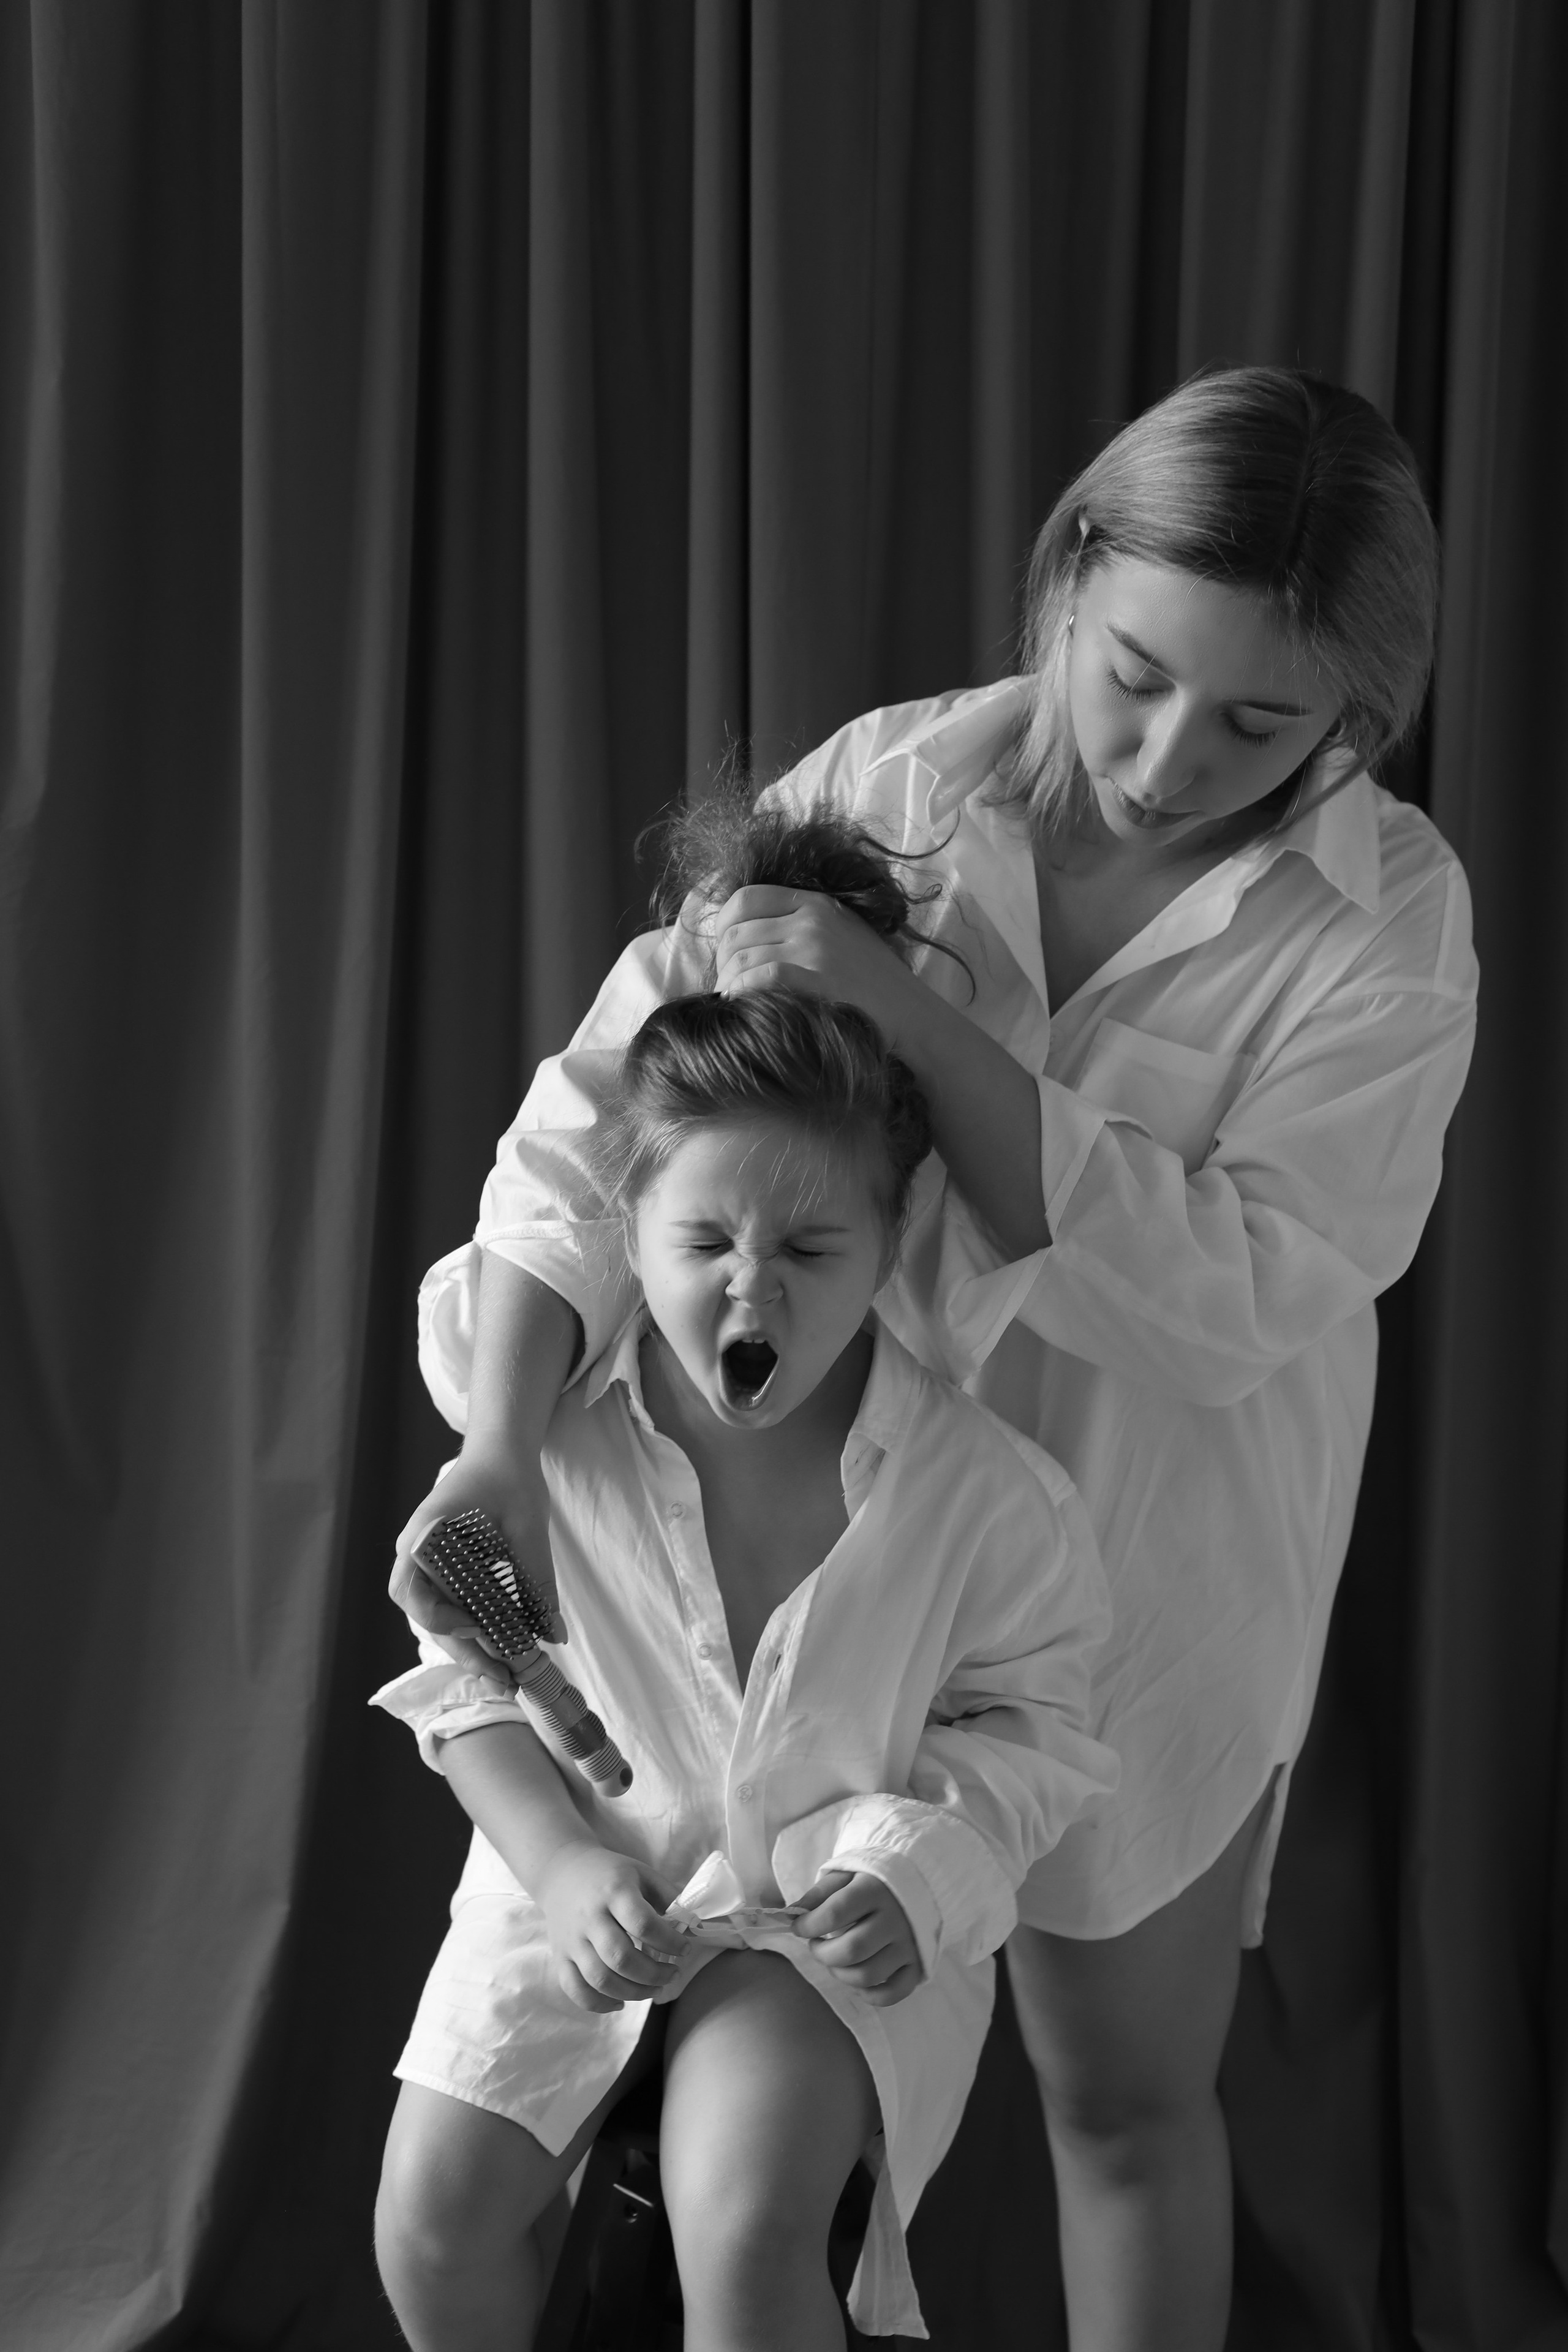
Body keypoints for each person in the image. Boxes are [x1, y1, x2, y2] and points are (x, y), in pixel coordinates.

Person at [392, 366, 1478, 2350]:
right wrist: (502, 1437)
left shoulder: (1390, 933)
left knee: (1127, 2106)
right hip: (812, 1568)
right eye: (1135, 674)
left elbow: (1227, 1296)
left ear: (1359, 720)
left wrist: (909, 1015)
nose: (1164, 762)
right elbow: (605, 1120)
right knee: (721, 2146)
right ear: (1068, 575)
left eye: (1260, 725)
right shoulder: (887, 785)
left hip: (1153, 1588)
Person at [373, 929, 1118, 2351]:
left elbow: (1035, 1736)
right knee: (430, 2218)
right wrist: (563, 1859)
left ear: (887, 1241)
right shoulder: (549, 1451)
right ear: (627, 1227)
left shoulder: (988, 1497)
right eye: (703, 1243)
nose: (750, 1292)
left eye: (810, 1249)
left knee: (747, 2223)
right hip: (566, 1881)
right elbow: (469, 1692)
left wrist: (911, 1872)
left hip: (818, 1932)